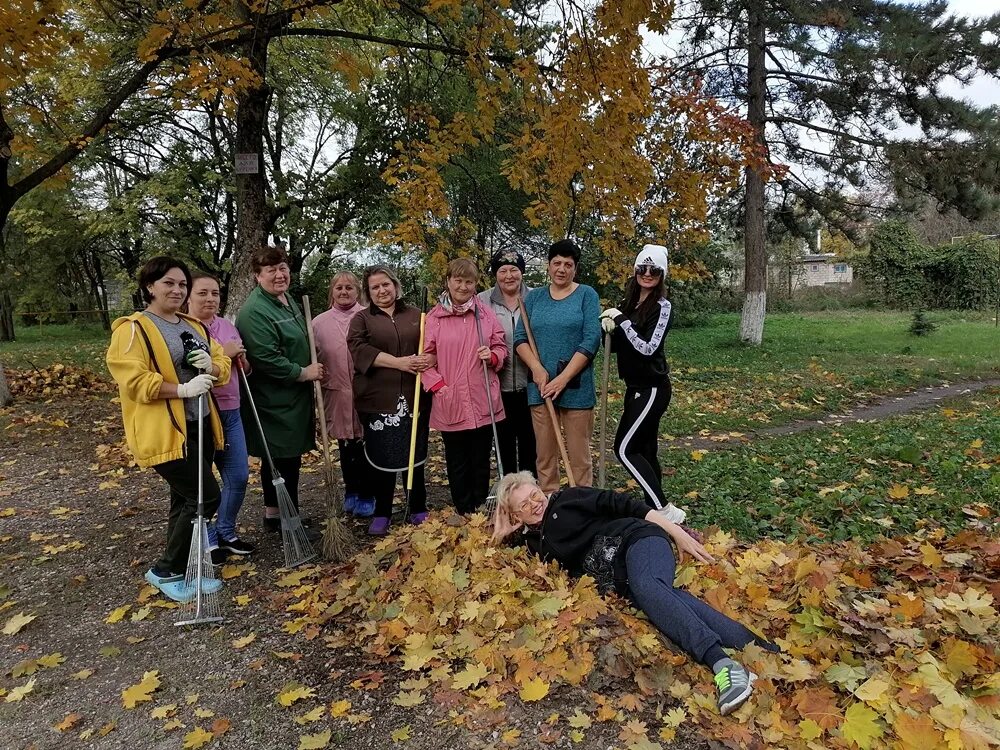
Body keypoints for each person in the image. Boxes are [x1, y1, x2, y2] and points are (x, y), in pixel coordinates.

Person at [491, 471, 779, 716]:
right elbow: (494, 558)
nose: (535, 503)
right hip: (625, 581)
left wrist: (676, 532)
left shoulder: (568, 499)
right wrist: (500, 534)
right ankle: (762, 650)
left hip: (639, 542)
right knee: (667, 599)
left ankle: (723, 665)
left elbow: (626, 504)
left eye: (535, 494)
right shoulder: (531, 544)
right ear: (516, 515)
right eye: (524, 505)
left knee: (649, 588)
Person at [106, 256, 231, 602]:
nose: (177, 290)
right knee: (205, 496)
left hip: (200, 424)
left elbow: (222, 361)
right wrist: (181, 389)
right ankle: (165, 570)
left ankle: (185, 570)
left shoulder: (193, 326)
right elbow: (133, 380)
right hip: (164, 429)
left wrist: (214, 365)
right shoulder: (133, 329)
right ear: (150, 287)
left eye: (181, 285)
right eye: (168, 284)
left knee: (185, 497)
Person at [235, 247, 324, 535]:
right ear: (257, 276)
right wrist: (303, 372)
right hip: (274, 399)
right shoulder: (255, 311)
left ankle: (275, 515)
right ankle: (289, 520)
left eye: (282, 267)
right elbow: (265, 358)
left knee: (287, 457)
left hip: (292, 398)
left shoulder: (285, 300)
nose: (279, 274)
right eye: (270, 270)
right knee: (281, 458)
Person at [599, 245, 686, 524]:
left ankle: (662, 509)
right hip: (633, 387)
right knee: (646, 451)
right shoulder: (628, 304)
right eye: (642, 268)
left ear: (662, 275)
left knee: (624, 449)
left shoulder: (662, 307)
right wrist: (607, 330)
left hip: (652, 388)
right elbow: (617, 348)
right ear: (635, 271)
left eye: (654, 270)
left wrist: (621, 322)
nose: (647, 274)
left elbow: (648, 348)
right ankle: (655, 506)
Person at [347, 265, 433, 535]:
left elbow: (433, 345)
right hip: (377, 399)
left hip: (414, 396)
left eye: (386, 285)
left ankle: (417, 506)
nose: (382, 291)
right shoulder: (362, 319)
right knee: (381, 455)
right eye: (375, 287)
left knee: (414, 451)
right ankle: (382, 510)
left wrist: (427, 359)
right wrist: (399, 363)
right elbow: (359, 348)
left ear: (395, 286)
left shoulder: (416, 315)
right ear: (368, 292)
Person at [513, 239, 601, 491]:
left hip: (576, 388)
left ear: (575, 269)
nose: (562, 269)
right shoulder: (534, 298)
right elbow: (520, 338)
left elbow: (591, 340)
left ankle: (583, 503)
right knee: (545, 455)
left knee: (579, 455)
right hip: (541, 388)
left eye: (568, 264)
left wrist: (562, 379)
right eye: (557, 263)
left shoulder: (586, 295)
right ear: (549, 266)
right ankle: (550, 505)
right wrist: (538, 369)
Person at [423, 258, 507, 513]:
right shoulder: (434, 319)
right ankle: (463, 507)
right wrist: (438, 386)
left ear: (475, 283)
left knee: (481, 458)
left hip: (482, 396)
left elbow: (501, 346)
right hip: (452, 398)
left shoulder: (484, 314)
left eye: (468, 281)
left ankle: (480, 507)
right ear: (448, 281)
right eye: (457, 280)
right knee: (457, 458)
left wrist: (492, 356)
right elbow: (424, 359)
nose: (463, 286)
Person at [187, 272, 256, 561]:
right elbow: (189, 373)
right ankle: (206, 537)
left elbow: (246, 370)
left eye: (215, 293)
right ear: (189, 296)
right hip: (201, 413)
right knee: (202, 483)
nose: (210, 299)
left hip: (231, 410)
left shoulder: (227, 326)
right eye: (203, 293)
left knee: (238, 476)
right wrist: (224, 356)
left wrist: (241, 360)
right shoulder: (184, 329)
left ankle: (225, 530)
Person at [311, 271, 374, 516]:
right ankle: (352, 491)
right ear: (332, 291)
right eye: (339, 288)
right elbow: (313, 356)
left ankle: (369, 493)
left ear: (357, 291)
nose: (344, 292)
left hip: (366, 392)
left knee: (367, 444)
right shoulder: (318, 323)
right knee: (346, 445)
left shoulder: (368, 316)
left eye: (349, 287)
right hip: (336, 393)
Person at [477, 250, 536, 475]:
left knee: (531, 439)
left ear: (521, 272)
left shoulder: (536, 297)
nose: (509, 276)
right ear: (495, 274)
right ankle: (509, 484)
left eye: (514, 270)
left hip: (530, 382)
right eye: (502, 271)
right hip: (496, 384)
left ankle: (530, 486)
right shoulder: (482, 301)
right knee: (503, 440)